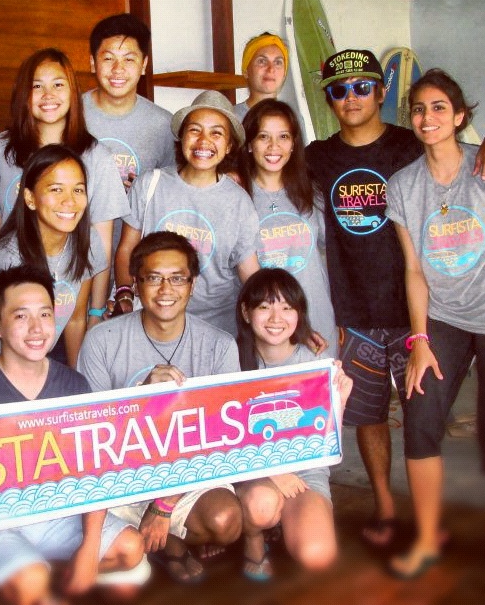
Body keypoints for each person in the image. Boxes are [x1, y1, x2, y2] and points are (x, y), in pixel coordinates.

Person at [0, 265, 146, 605]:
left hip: (59, 512)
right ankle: (30, 579)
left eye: (45, 314)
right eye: (21, 316)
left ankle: (48, 577)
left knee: (131, 548)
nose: (37, 328)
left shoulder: (73, 385)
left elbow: (94, 470)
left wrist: (89, 551)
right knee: (30, 581)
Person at [303, 48, 423, 548]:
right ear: (328, 99)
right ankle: (386, 507)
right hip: (352, 311)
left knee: (423, 417)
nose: (350, 97)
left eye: (361, 87)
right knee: (369, 416)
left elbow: (456, 159)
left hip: (415, 308)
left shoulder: (410, 145)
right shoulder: (316, 157)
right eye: (339, 90)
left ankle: (428, 512)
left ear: (380, 91)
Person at [79, 232, 242, 584]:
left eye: (177, 278)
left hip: (188, 473)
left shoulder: (220, 345)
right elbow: (92, 434)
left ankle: (162, 538)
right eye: (153, 278)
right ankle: (163, 547)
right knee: (98, 540)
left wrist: (164, 504)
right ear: (136, 285)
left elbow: (220, 439)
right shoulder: (101, 340)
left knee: (226, 520)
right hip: (121, 474)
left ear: (192, 285)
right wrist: (143, 396)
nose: (165, 289)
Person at [385, 69, 485, 579]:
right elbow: (413, 268)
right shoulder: (403, 185)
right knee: (420, 410)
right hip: (442, 316)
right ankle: (426, 538)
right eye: (419, 109)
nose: (428, 118)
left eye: (440, 107)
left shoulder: (481, 166)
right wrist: (420, 339)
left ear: (460, 116)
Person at [0, 48, 129, 323]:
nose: (48, 95)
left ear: (73, 92)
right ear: (23, 94)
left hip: (72, 307)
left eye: (58, 85)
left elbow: (101, 244)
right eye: (37, 86)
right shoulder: (0, 150)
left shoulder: (96, 157)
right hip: (12, 306)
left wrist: (95, 312)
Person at [234, 268, 352, 580]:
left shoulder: (314, 363)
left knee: (317, 555)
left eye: (287, 307)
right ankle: (253, 538)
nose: (276, 318)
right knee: (261, 504)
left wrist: (340, 401)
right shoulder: (230, 359)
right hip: (249, 470)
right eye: (264, 306)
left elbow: (325, 447)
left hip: (304, 471)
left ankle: (282, 522)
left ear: (299, 314)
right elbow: (222, 442)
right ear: (245, 312)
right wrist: (271, 472)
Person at [114, 90, 260, 336]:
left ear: (229, 146)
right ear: (181, 137)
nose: (204, 141)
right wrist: (124, 294)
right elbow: (127, 248)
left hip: (215, 330)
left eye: (216, 133)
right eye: (194, 130)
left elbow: (251, 273)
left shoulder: (239, 202)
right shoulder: (150, 185)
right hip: (152, 323)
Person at [0, 145, 107, 370]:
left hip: (36, 354)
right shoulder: (5, 258)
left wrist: (77, 378)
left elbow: (76, 318)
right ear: (30, 198)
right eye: (56, 189)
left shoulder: (88, 241)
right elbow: (6, 341)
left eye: (78, 190)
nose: (70, 201)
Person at [238, 99, 338, 357]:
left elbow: (333, 258)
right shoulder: (237, 196)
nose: (274, 147)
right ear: (249, 144)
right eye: (263, 137)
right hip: (267, 328)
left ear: (294, 143)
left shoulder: (312, 192)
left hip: (317, 322)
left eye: (283, 136)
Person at [83, 13, 175, 190]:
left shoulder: (165, 125)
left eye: (129, 59)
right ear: (93, 62)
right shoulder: (71, 113)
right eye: (108, 58)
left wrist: (144, 190)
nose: (118, 69)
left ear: (144, 65)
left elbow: (172, 190)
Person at [234, 33, 289, 123]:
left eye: (278, 62)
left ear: (284, 74)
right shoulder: (230, 120)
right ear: (246, 71)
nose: (271, 69)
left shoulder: (293, 118)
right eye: (262, 61)